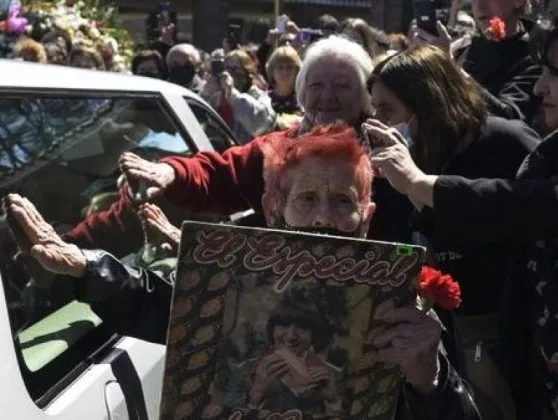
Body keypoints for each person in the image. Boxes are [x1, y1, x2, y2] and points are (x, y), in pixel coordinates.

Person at [4, 124, 480, 419]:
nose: (322, 219)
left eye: (341, 202)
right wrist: (85, 266)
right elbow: (160, 305)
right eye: (307, 199)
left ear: (367, 216)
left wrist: (431, 379)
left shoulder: (400, 304)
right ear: (275, 210)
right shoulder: (239, 284)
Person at [60, 35, 411, 260]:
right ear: (302, 95)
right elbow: (217, 173)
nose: (327, 96)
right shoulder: (277, 148)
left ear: (366, 96)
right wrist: (169, 172)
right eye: (317, 84)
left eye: (342, 85)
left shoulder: (391, 152)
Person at [367, 10, 558, 420]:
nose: (377, 123)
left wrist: (420, 184)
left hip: (510, 345)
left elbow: (524, 206)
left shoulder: (506, 143)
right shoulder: (397, 162)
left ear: (426, 104)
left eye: (387, 109)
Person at [411, 0, 541, 123]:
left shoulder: (534, 57)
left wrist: (449, 65)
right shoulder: (462, 48)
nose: (479, 7)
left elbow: (508, 118)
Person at [200, 48, 276, 144]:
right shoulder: (215, 97)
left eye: (235, 69)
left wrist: (232, 95)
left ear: (247, 74)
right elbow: (194, 122)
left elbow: (260, 126)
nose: (229, 73)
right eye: (227, 69)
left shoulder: (260, 97)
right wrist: (205, 95)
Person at [265, 45, 302, 128]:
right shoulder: (264, 99)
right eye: (280, 67)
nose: (285, 72)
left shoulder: (304, 98)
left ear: (297, 70)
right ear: (272, 70)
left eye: (289, 67)